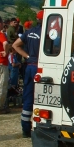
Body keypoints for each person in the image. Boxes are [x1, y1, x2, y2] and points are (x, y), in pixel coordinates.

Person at [12, 10, 43, 138]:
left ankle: (25, 127)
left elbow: (15, 45)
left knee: (28, 96)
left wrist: (28, 56)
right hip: (40, 67)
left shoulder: (29, 32)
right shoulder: (47, 33)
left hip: (29, 66)